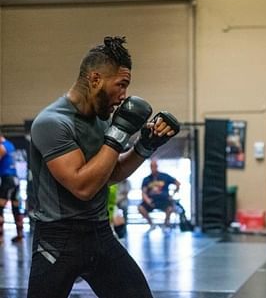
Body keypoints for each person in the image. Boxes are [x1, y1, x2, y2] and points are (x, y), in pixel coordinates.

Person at [27, 36, 179, 298]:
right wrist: (119, 132)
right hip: (58, 239)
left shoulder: (101, 121)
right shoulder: (51, 122)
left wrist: (145, 145)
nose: (123, 96)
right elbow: (83, 186)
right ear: (95, 79)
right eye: (121, 85)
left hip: (99, 233)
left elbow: (110, 173)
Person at [138, 159, 180, 230]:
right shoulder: (146, 179)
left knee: (170, 208)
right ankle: (151, 224)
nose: (153, 168)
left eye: (155, 166)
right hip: (152, 201)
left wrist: (172, 195)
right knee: (140, 208)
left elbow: (178, 183)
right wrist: (148, 200)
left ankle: (165, 224)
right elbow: (143, 192)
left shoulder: (164, 176)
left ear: (157, 167)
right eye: (152, 166)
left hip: (164, 200)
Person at [0, 131, 24, 243]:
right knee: (16, 207)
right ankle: (20, 235)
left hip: (8, 180)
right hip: (16, 179)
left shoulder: (2, 147)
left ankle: (0, 237)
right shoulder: (10, 144)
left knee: (0, 207)